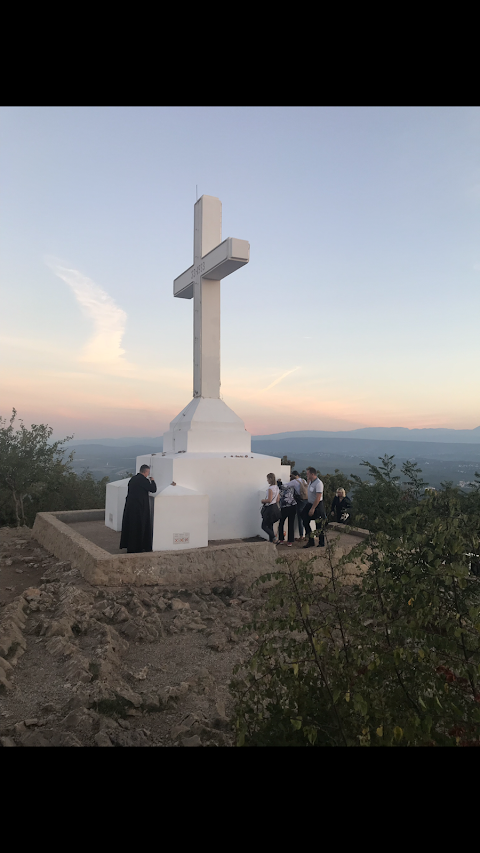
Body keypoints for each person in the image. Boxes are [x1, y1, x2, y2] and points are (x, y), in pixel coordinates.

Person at [119, 464, 157, 553]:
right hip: (140, 507)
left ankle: (130, 546)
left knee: (131, 526)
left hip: (130, 506)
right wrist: (153, 481)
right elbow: (153, 489)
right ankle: (138, 547)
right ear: (146, 472)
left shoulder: (133, 479)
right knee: (139, 526)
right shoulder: (143, 480)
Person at [302, 467, 326, 548]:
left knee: (318, 524)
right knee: (304, 520)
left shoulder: (319, 483)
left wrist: (313, 508)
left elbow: (318, 497)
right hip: (309, 503)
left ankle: (321, 542)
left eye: (307, 473)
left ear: (312, 474)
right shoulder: (311, 482)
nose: (306, 475)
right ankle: (311, 540)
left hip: (317, 505)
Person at [261, 473, 280, 544]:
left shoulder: (270, 489)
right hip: (275, 507)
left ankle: (274, 538)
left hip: (269, 508)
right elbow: (278, 499)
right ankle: (271, 541)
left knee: (264, 526)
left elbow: (269, 500)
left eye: (267, 479)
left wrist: (263, 501)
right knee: (270, 524)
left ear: (270, 479)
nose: (267, 480)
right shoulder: (276, 487)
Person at [278, 480, 298, 546]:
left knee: (281, 523)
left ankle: (281, 539)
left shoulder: (279, 489)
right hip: (293, 506)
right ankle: (290, 541)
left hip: (284, 507)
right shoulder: (291, 487)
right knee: (291, 524)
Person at [291, 470, 308, 540]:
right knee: (305, 518)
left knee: (300, 518)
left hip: (300, 500)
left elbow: (285, 486)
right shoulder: (303, 480)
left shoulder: (295, 482)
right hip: (306, 500)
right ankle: (307, 535)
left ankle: (301, 535)